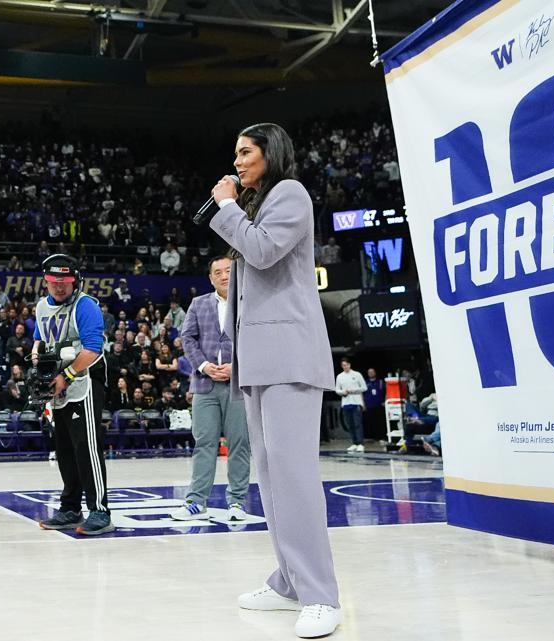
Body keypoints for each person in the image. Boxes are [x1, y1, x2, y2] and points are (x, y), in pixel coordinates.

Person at [207, 122, 342, 637]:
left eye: (246, 152)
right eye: (236, 153)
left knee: (294, 477)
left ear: (271, 152)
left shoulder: (290, 193)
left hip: (289, 355)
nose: (237, 161)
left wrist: (226, 206)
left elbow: (263, 252)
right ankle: (288, 580)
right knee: (271, 477)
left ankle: (320, 594)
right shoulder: (258, 205)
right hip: (259, 359)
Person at [32, 254, 112, 536]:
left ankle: (100, 511)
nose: (59, 286)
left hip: (83, 384)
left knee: (87, 447)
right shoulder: (42, 307)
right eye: (53, 281)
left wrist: (65, 376)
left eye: (64, 281)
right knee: (64, 449)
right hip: (58, 386)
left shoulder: (86, 305)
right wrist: (37, 358)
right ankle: (70, 508)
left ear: (75, 281)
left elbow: (93, 349)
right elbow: (39, 339)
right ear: (46, 281)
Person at [170, 256, 251, 522]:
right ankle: (196, 502)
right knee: (204, 443)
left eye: (228, 271)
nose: (224, 276)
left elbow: (257, 340)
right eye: (218, 272)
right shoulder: (198, 303)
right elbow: (187, 338)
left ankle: (237, 502)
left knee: (239, 443)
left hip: (238, 383)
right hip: (204, 384)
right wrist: (204, 366)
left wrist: (237, 366)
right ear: (210, 278)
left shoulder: (249, 302)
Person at [336, 358, 367, 453]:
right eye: (343, 365)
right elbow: (337, 390)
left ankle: (360, 443)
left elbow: (364, 387)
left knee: (357, 424)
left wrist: (353, 390)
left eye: (346, 365)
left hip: (356, 402)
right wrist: (343, 392)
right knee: (350, 425)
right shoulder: (339, 376)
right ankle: (354, 443)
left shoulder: (357, 374)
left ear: (349, 365)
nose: (345, 367)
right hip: (346, 403)